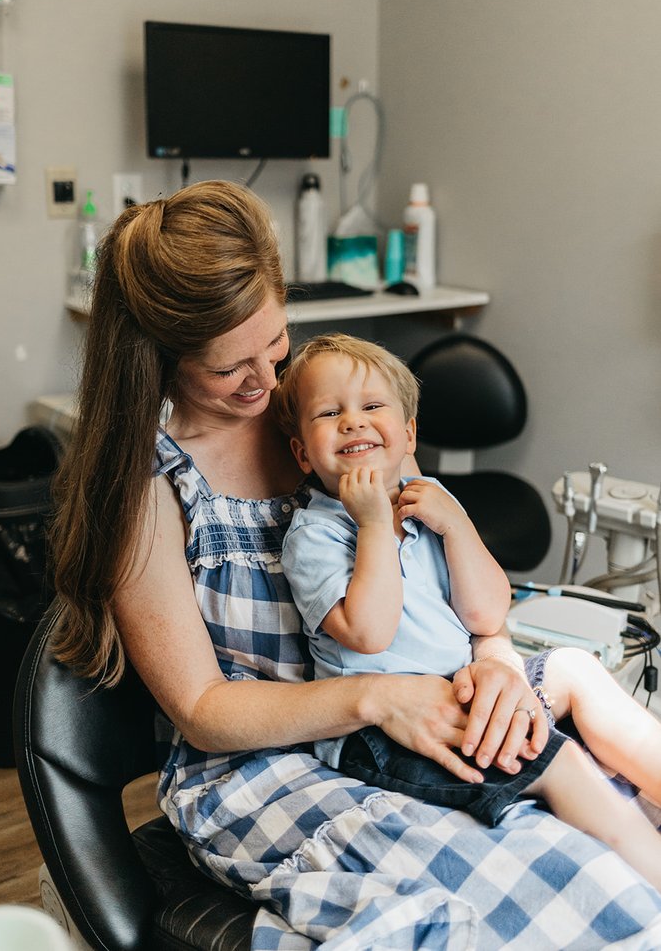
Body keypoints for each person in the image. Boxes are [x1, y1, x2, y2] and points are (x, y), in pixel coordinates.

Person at [50, 180, 661, 949]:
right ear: (158, 358)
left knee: (607, 786)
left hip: (413, 691)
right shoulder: (151, 491)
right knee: (544, 883)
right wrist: (378, 698)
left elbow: (441, 568)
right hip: (264, 764)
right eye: (231, 368)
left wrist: (496, 657)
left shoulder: (320, 412)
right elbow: (204, 712)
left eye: (276, 348)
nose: (266, 383)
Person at [274, 332, 661, 890]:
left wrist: (455, 525)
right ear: (303, 453)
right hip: (386, 736)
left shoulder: (426, 496)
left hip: (461, 690)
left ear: (407, 433)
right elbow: (370, 632)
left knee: (574, 668)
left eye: (372, 407)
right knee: (562, 763)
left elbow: (485, 613)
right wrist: (375, 526)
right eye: (330, 412)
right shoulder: (313, 535)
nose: (354, 422)